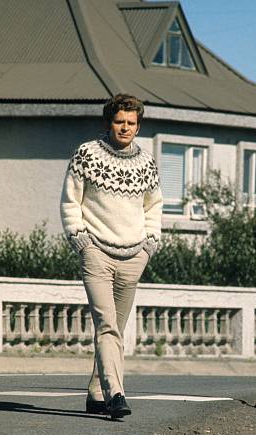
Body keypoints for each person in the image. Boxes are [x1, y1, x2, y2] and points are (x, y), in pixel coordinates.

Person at [60, 94, 163, 418]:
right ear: (109, 122)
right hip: (96, 254)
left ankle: (95, 393)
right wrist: (83, 242)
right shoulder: (86, 154)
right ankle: (116, 395)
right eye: (120, 122)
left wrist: (149, 246)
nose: (125, 128)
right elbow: (70, 202)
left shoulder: (147, 163)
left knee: (114, 331)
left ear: (138, 126)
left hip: (133, 256)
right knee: (106, 326)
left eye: (132, 123)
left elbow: (154, 206)